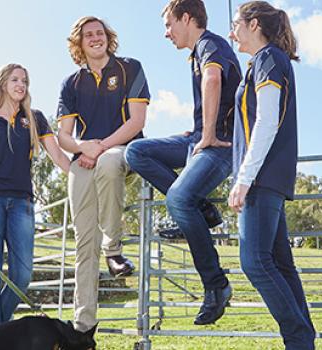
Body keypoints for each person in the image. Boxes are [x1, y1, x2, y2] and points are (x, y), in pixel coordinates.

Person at [125, 0, 241, 325]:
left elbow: (214, 80)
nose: (166, 33)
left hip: (220, 145)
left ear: (186, 18)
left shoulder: (210, 44)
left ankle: (216, 285)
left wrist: (207, 134)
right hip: (201, 137)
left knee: (177, 198)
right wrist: (198, 130)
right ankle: (202, 208)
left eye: (168, 24)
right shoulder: (197, 52)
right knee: (136, 152)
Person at [227, 2, 316, 348]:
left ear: (253, 24)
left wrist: (244, 178)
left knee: (254, 263)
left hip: (262, 180)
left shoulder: (267, 59)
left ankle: (299, 337)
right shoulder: (265, 61)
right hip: (268, 179)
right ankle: (302, 341)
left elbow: (267, 120)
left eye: (236, 25)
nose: (232, 32)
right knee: (279, 262)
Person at [0, 64, 70, 325]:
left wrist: (82, 177)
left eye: (25, 81)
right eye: (15, 79)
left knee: (23, 275)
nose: (21, 85)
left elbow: (59, 157)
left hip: (22, 203)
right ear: (2, 83)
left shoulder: (35, 118)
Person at [56, 16, 150, 336]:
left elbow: (136, 122)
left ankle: (113, 251)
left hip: (121, 152)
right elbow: (64, 137)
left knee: (109, 163)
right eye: (88, 35)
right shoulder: (71, 83)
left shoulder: (130, 68)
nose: (95, 38)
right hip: (83, 159)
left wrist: (99, 147)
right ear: (79, 44)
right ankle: (83, 328)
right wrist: (84, 147)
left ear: (108, 38)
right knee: (84, 244)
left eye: (100, 33)